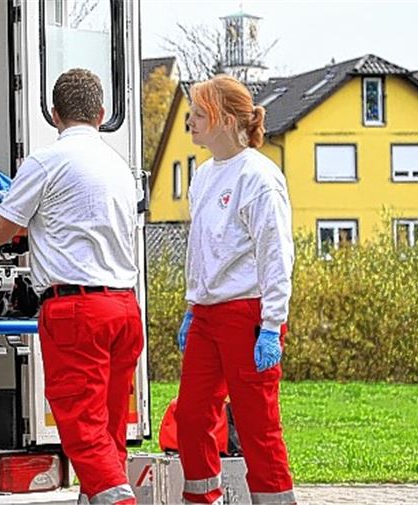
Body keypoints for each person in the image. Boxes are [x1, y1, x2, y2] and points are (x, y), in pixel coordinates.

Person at [0, 68, 142, 505]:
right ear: (103, 113)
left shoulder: (47, 162)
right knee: (108, 429)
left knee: (82, 428)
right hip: (124, 309)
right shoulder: (119, 167)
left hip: (78, 312)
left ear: (55, 114)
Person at [175, 75, 296, 505]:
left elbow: (276, 254)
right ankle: (201, 497)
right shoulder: (204, 175)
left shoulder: (259, 177)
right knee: (191, 418)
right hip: (209, 314)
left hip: (248, 314)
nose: (189, 120)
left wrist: (271, 325)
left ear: (226, 121)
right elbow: (201, 248)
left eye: (199, 114)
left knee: (256, 424)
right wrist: (193, 305)